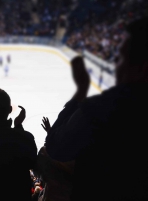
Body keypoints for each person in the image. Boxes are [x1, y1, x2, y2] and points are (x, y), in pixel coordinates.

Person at [44, 18, 148, 200]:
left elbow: (56, 148)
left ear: (141, 67)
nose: (117, 65)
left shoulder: (103, 109)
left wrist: (80, 93)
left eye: (122, 58)